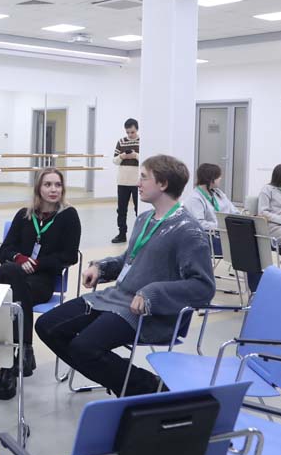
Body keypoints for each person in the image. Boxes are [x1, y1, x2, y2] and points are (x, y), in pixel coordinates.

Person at [36, 155, 215, 397]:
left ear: (162, 184)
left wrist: (152, 292)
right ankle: (125, 381)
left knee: (83, 348)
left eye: (144, 177)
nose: (138, 183)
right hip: (114, 299)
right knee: (47, 326)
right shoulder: (144, 219)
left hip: (144, 312)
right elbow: (130, 259)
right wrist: (101, 268)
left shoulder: (188, 231)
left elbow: (203, 287)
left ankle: (150, 388)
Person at [0, 168, 81, 400]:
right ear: (38, 188)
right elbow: (5, 251)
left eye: (57, 185)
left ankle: (7, 364)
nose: (53, 189)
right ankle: (22, 352)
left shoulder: (69, 216)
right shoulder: (24, 215)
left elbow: (69, 256)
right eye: (48, 184)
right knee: (9, 273)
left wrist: (38, 263)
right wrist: (19, 259)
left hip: (43, 281)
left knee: (7, 293)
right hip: (17, 278)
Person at [184, 163, 240, 256]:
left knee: (251, 240)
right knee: (246, 246)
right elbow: (199, 224)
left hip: (226, 233)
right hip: (210, 238)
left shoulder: (218, 193)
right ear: (211, 179)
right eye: (218, 176)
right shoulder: (194, 198)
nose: (220, 178)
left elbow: (233, 211)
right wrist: (223, 225)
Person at [111, 119, 140, 243]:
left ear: (137, 129)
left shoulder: (142, 142)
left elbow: (146, 160)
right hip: (122, 181)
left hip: (137, 182)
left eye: (132, 132)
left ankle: (140, 234)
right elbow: (114, 161)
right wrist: (122, 156)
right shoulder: (121, 142)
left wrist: (135, 155)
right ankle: (122, 234)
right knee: (121, 210)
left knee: (138, 209)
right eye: (128, 132)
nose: (130, 135)